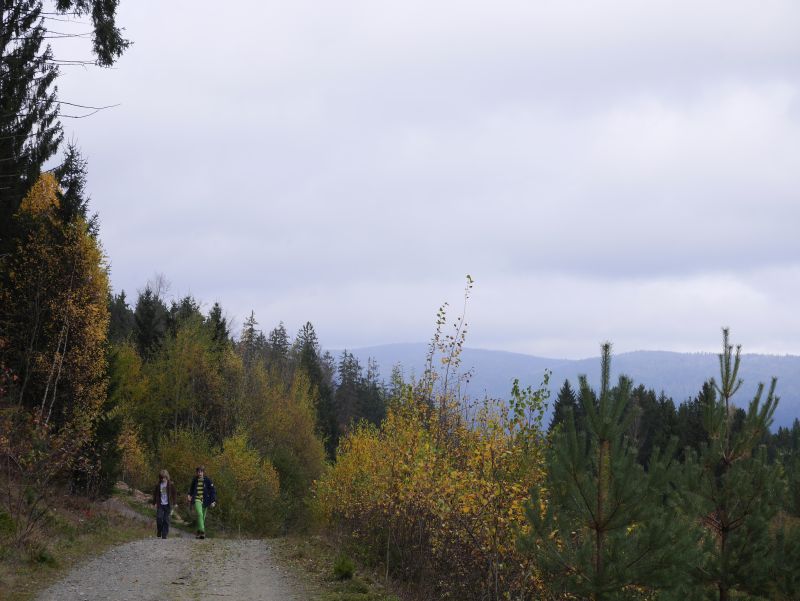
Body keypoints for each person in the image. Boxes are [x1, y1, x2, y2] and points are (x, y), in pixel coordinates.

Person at [186, 465, 216, 539]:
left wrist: (213, 501)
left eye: (201, 472)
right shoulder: (195, 480)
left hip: (205, 500)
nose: (199, 473)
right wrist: (189, 495)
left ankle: (198, 532)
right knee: (199, 514)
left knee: (202, 517)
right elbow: (191, 489)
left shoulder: (208, 480)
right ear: (196, 473)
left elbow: (213, 491)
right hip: (197, 499)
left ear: (203, 472)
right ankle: (202, 531)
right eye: (198, 472)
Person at [152, 469, 177, 539]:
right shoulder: (158, 485)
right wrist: (154, 503)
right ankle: (159, 531)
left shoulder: (170, 485)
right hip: (160, 504)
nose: (163, 479)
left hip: (168, 505)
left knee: (166, 520)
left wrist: (175, 503)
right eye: (162, 478)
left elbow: (174, 494)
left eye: (164, 478)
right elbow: (155, 494)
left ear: (167, 477)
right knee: (159, 518)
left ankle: (164, 534)